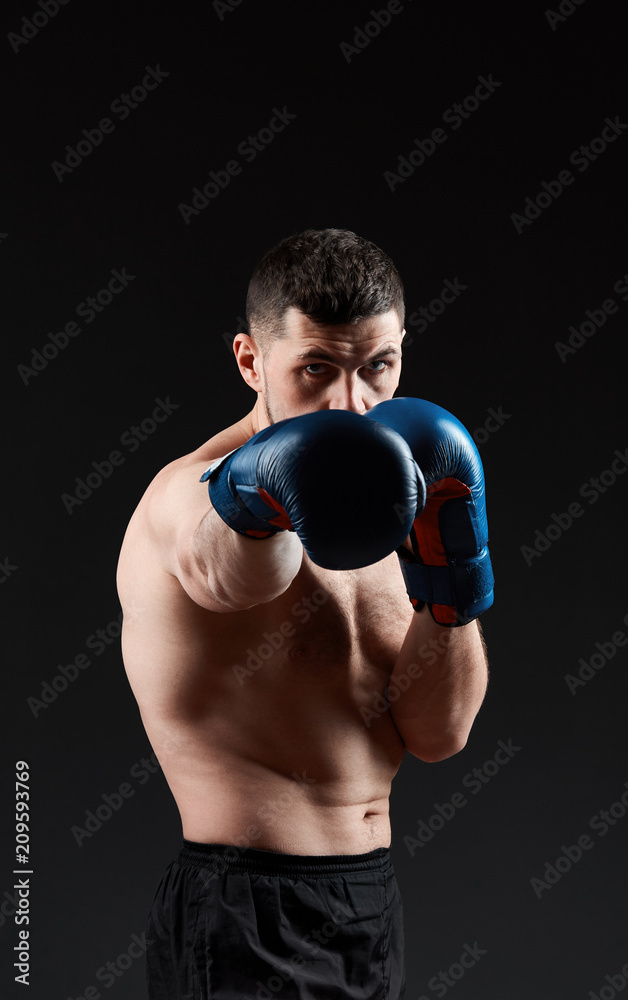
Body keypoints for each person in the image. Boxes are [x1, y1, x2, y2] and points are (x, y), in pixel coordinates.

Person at [116, 228, 494, 999]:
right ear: (252, 360)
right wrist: (261, 496)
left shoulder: (394, 497)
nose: (351, 404)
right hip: (244, 910)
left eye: (377, 368)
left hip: (368, 902)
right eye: (316, 369)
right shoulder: (182, 496)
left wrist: (451, 579)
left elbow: (438, 733)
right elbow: (228, 575)